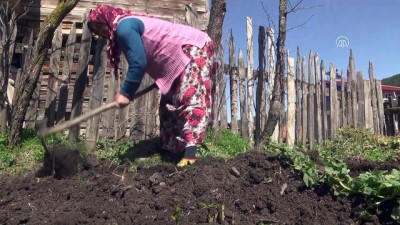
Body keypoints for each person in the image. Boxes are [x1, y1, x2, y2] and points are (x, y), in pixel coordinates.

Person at [87, 4, 217, 167]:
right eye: (95, 30)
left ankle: (191, 155)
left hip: (194, 48)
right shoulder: (123, 29)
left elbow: (138, 63)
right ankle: (171, 150)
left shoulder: (123, 27)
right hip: (177, 58)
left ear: (105, 18)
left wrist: (125, 92)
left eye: (98, 25)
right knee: (168, 105)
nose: (99, 32)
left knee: (190, 98)